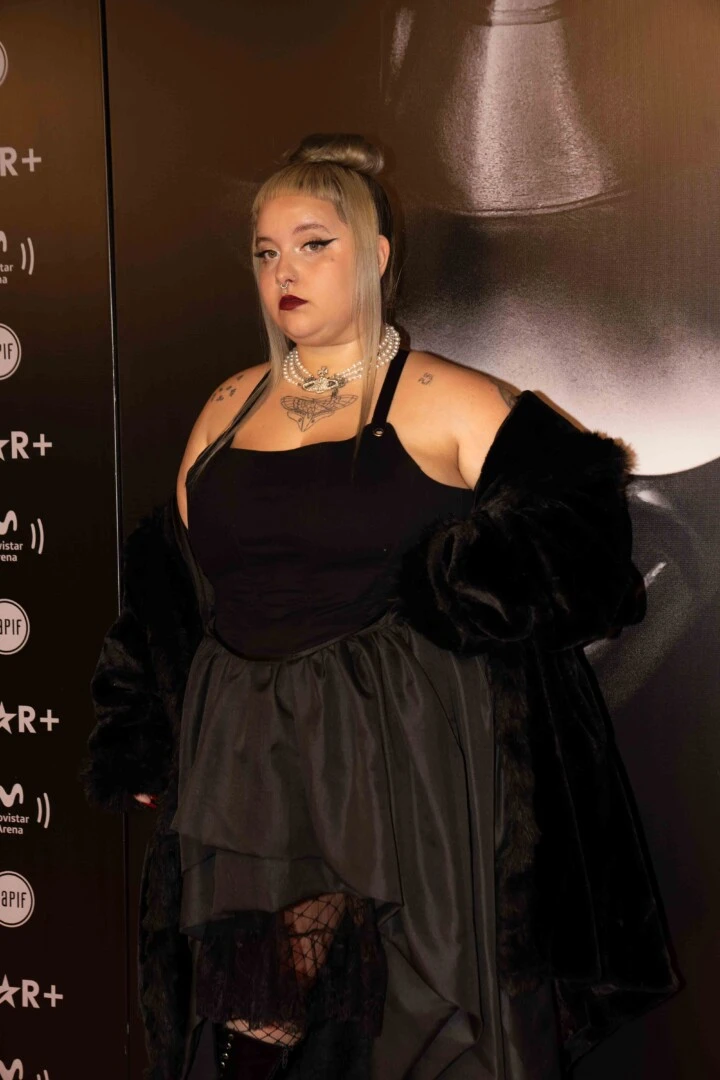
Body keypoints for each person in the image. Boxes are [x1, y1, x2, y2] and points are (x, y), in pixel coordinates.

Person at [82, 134, 679, 1080]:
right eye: (266, 251)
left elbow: (586, 531)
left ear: (376, 253)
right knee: (254, 1020)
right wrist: (145, 727)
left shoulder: (446, 397)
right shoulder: (230, 403)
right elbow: (170, 585)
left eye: (313, 244)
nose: (284, 271)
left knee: (388, 1025)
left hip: (398, 766)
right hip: (248, 762)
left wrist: (463, 586)